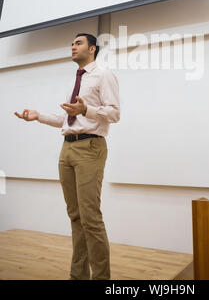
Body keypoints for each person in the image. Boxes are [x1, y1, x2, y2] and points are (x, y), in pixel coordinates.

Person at [14, 33, 120, 280]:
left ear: (92, 48)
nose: (73, 46)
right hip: (67, 149)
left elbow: (115, 114)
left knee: (90, 218)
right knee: (75, 216)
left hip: (90, 148)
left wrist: (87, 109)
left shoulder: (103, 75)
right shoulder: (75, 80)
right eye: (71, 43)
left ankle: (102, 278)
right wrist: (38, 116)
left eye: (78, 43)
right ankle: (78, 276)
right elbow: (68, 119)